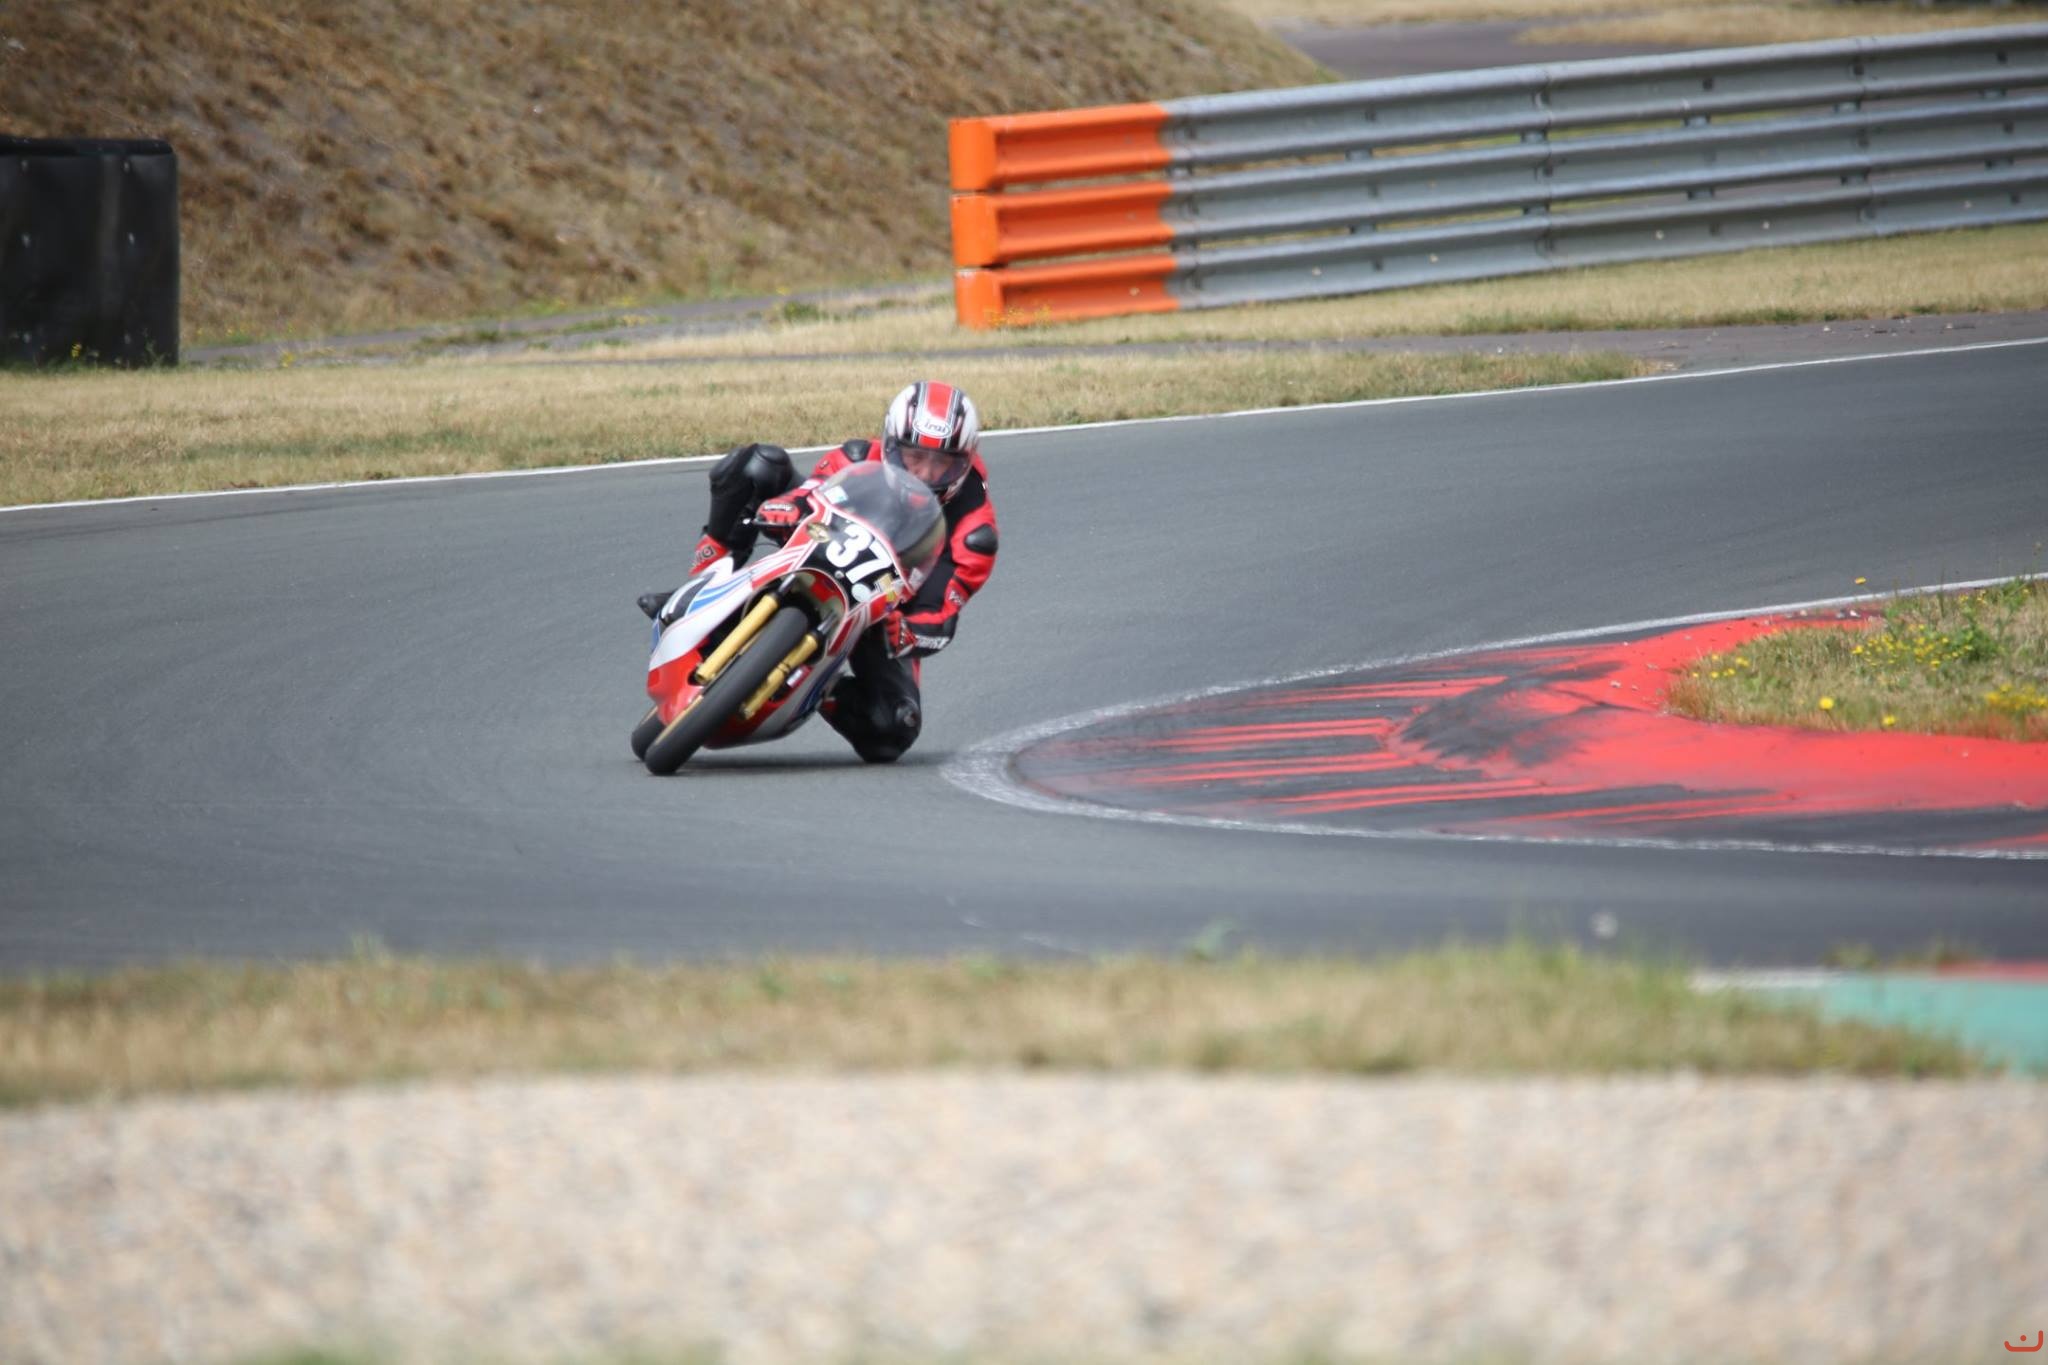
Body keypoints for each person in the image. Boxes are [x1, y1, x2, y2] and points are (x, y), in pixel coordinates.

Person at [638, 380, 999, 763]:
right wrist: (791, 506)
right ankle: (705, 580)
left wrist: (907, 631)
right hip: (818, 542)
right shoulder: (857, 456)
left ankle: (820, 687)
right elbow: (813, 490)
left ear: (964, 462)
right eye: (914, 457)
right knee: (758, 465)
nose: (925, 474)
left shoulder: (975, 533)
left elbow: (939, 616)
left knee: (893, 726)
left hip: (882, 610)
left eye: (942, 464)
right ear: (892, 444)